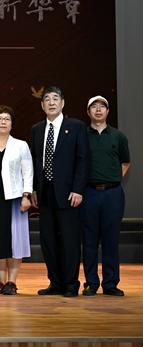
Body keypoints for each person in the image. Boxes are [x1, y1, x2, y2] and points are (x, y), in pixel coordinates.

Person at [30, 86, 90, 297]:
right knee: (48, 240)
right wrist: (33, 189)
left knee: (69, 240)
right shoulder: (37, 129)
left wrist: (78, 189)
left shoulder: (76, 126)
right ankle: (55, 283)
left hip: (68, 194)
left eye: (55, 98)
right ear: (42, 105)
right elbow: (36, 161)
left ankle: (71, 284)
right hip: (44, 193)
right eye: (47, 99)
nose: (51, 102)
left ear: (63, 103)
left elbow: (83, 160)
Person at [81, 95, 130, 296]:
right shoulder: (81, 136)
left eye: (102, 106)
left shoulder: (118, 136)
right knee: (89, 240)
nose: (98, 109)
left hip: (113, 194)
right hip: (89, 193)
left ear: (108, 111)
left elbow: (125, 162)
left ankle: (110, 283)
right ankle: (91, 283)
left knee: (111, 239)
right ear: (88, 112)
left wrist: (113, 178)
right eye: (94, 106)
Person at [0, 106, 33, 295]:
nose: (3, 122)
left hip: (15, 199)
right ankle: (0, 281)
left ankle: (12, 281)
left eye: (7, 119)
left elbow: (28, 172)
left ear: (12, 125)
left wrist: (26, 195)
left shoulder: (20, 145)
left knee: (15, 240)